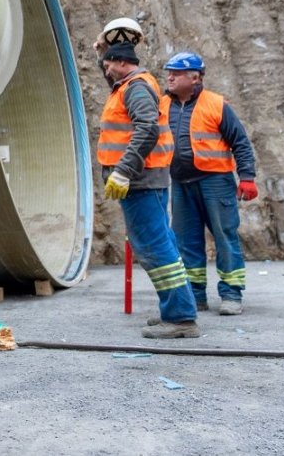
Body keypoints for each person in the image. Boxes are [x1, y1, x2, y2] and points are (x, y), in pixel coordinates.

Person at [93, 20, 200, 339]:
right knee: (161, 243)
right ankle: (177, 310)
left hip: (140, 180)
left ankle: (180, 317)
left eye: (109, 63)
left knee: (154, 247)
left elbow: (147, 130)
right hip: (145, 180)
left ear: (123, 63)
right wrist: (102, 50)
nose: (106, 69)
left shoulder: (137, 87)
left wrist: (124, 171)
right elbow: (111, 73)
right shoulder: (128, 84)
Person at [161, 51, 258, 316]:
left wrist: (247, 177)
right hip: (181, 183)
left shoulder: (216, 104)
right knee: (185, 242)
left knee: (225, 237)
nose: (170, 77)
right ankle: (195, 295)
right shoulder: (162, 106)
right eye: (169, 72)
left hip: (216, 182)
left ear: (195, 77)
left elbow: (240, 142)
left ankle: (231, 294)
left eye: (177, 73)